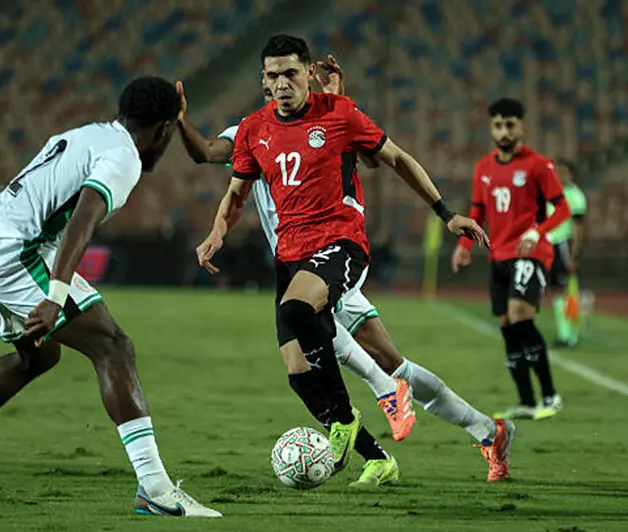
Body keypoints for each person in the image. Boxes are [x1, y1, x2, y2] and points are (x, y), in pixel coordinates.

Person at [178, 53, 513, 482]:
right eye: (273, 77)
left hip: (333, 252)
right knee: (327, 369)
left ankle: (376, 395)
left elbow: (376, 158)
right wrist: (215, 226)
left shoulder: (333, 115)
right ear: (263, 81)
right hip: (293, 262)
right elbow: (213, 160)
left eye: (290, 75)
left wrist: (339, 101)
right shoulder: (250, 130)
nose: (281, 85)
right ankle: (473, 433)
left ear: (307, 75)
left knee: (305, 319)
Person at [0, 77, 221, 518]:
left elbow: (22, 189)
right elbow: (82, 222)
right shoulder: (122, 156)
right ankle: (155, 488)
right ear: (165, 129)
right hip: (14, 252)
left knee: (38, 357)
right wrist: (54, 296)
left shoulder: (82, 135)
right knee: (113, 346)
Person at [452, 98, 571, 422]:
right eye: (497, 125)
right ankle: (527, 401)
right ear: (491, 128)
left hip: (529, 252)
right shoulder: (483, 168)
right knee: (507, 325)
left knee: (520, 316)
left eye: (509, 125)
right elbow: (477, 212)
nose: (503, 131)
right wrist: (464, 246)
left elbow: (562, 209)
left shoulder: (539, 165)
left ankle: (551, 395)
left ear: (521, 127)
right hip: (499, 254)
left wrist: (537, 231)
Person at [547, 158, 587, 348]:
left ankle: (570, 335)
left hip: (562, 244)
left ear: (571, 175)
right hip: (548, 244)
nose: (560, 176)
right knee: (555, 290)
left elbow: (579, 228)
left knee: (566, 291)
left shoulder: (575, 196)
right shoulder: (549, 193)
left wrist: (573, 255)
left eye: (563, 172)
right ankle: (564, 332)